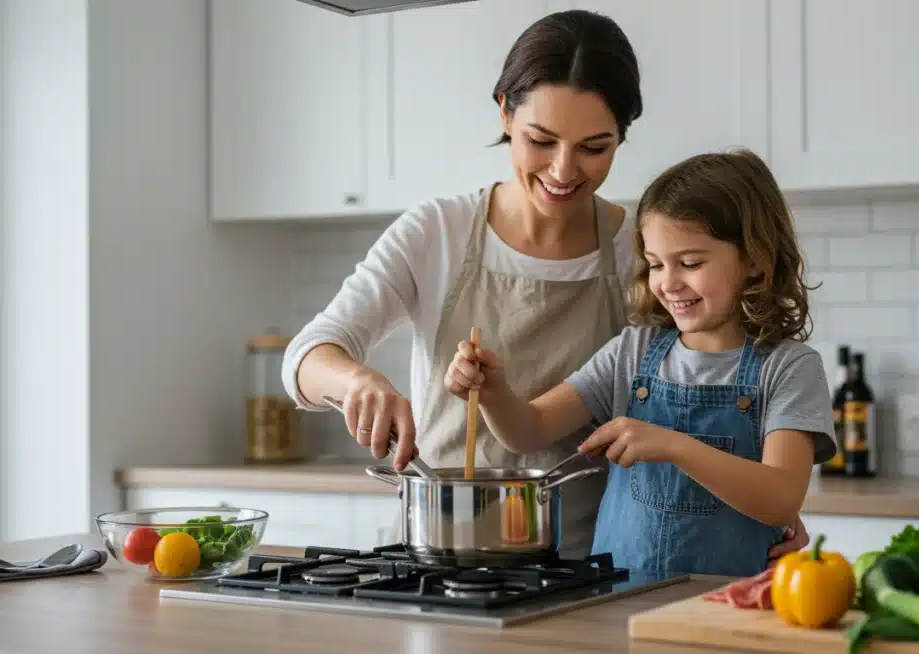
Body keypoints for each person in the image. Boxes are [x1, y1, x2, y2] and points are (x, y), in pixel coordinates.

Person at [281, 9, 810, 562]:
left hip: (592, 571)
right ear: (505, 111)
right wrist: (356, 383)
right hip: (438, 553)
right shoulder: (437, 231)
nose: (563, 171)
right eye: (541, 139)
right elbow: (305, 357)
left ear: (621, 138)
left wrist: (760, 503)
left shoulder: (646, 249)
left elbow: (707, 374)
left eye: (593, 147)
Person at [443, 148, 836, 576]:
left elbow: (780, 499)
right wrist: (494, 393)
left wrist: (672, 445)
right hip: (617, 606)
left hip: (727, 612)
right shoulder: (631, 352)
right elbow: (529, 430)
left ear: (755, 262)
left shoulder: (789, 369)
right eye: (655, 265)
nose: (668, 282)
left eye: (690, 263)